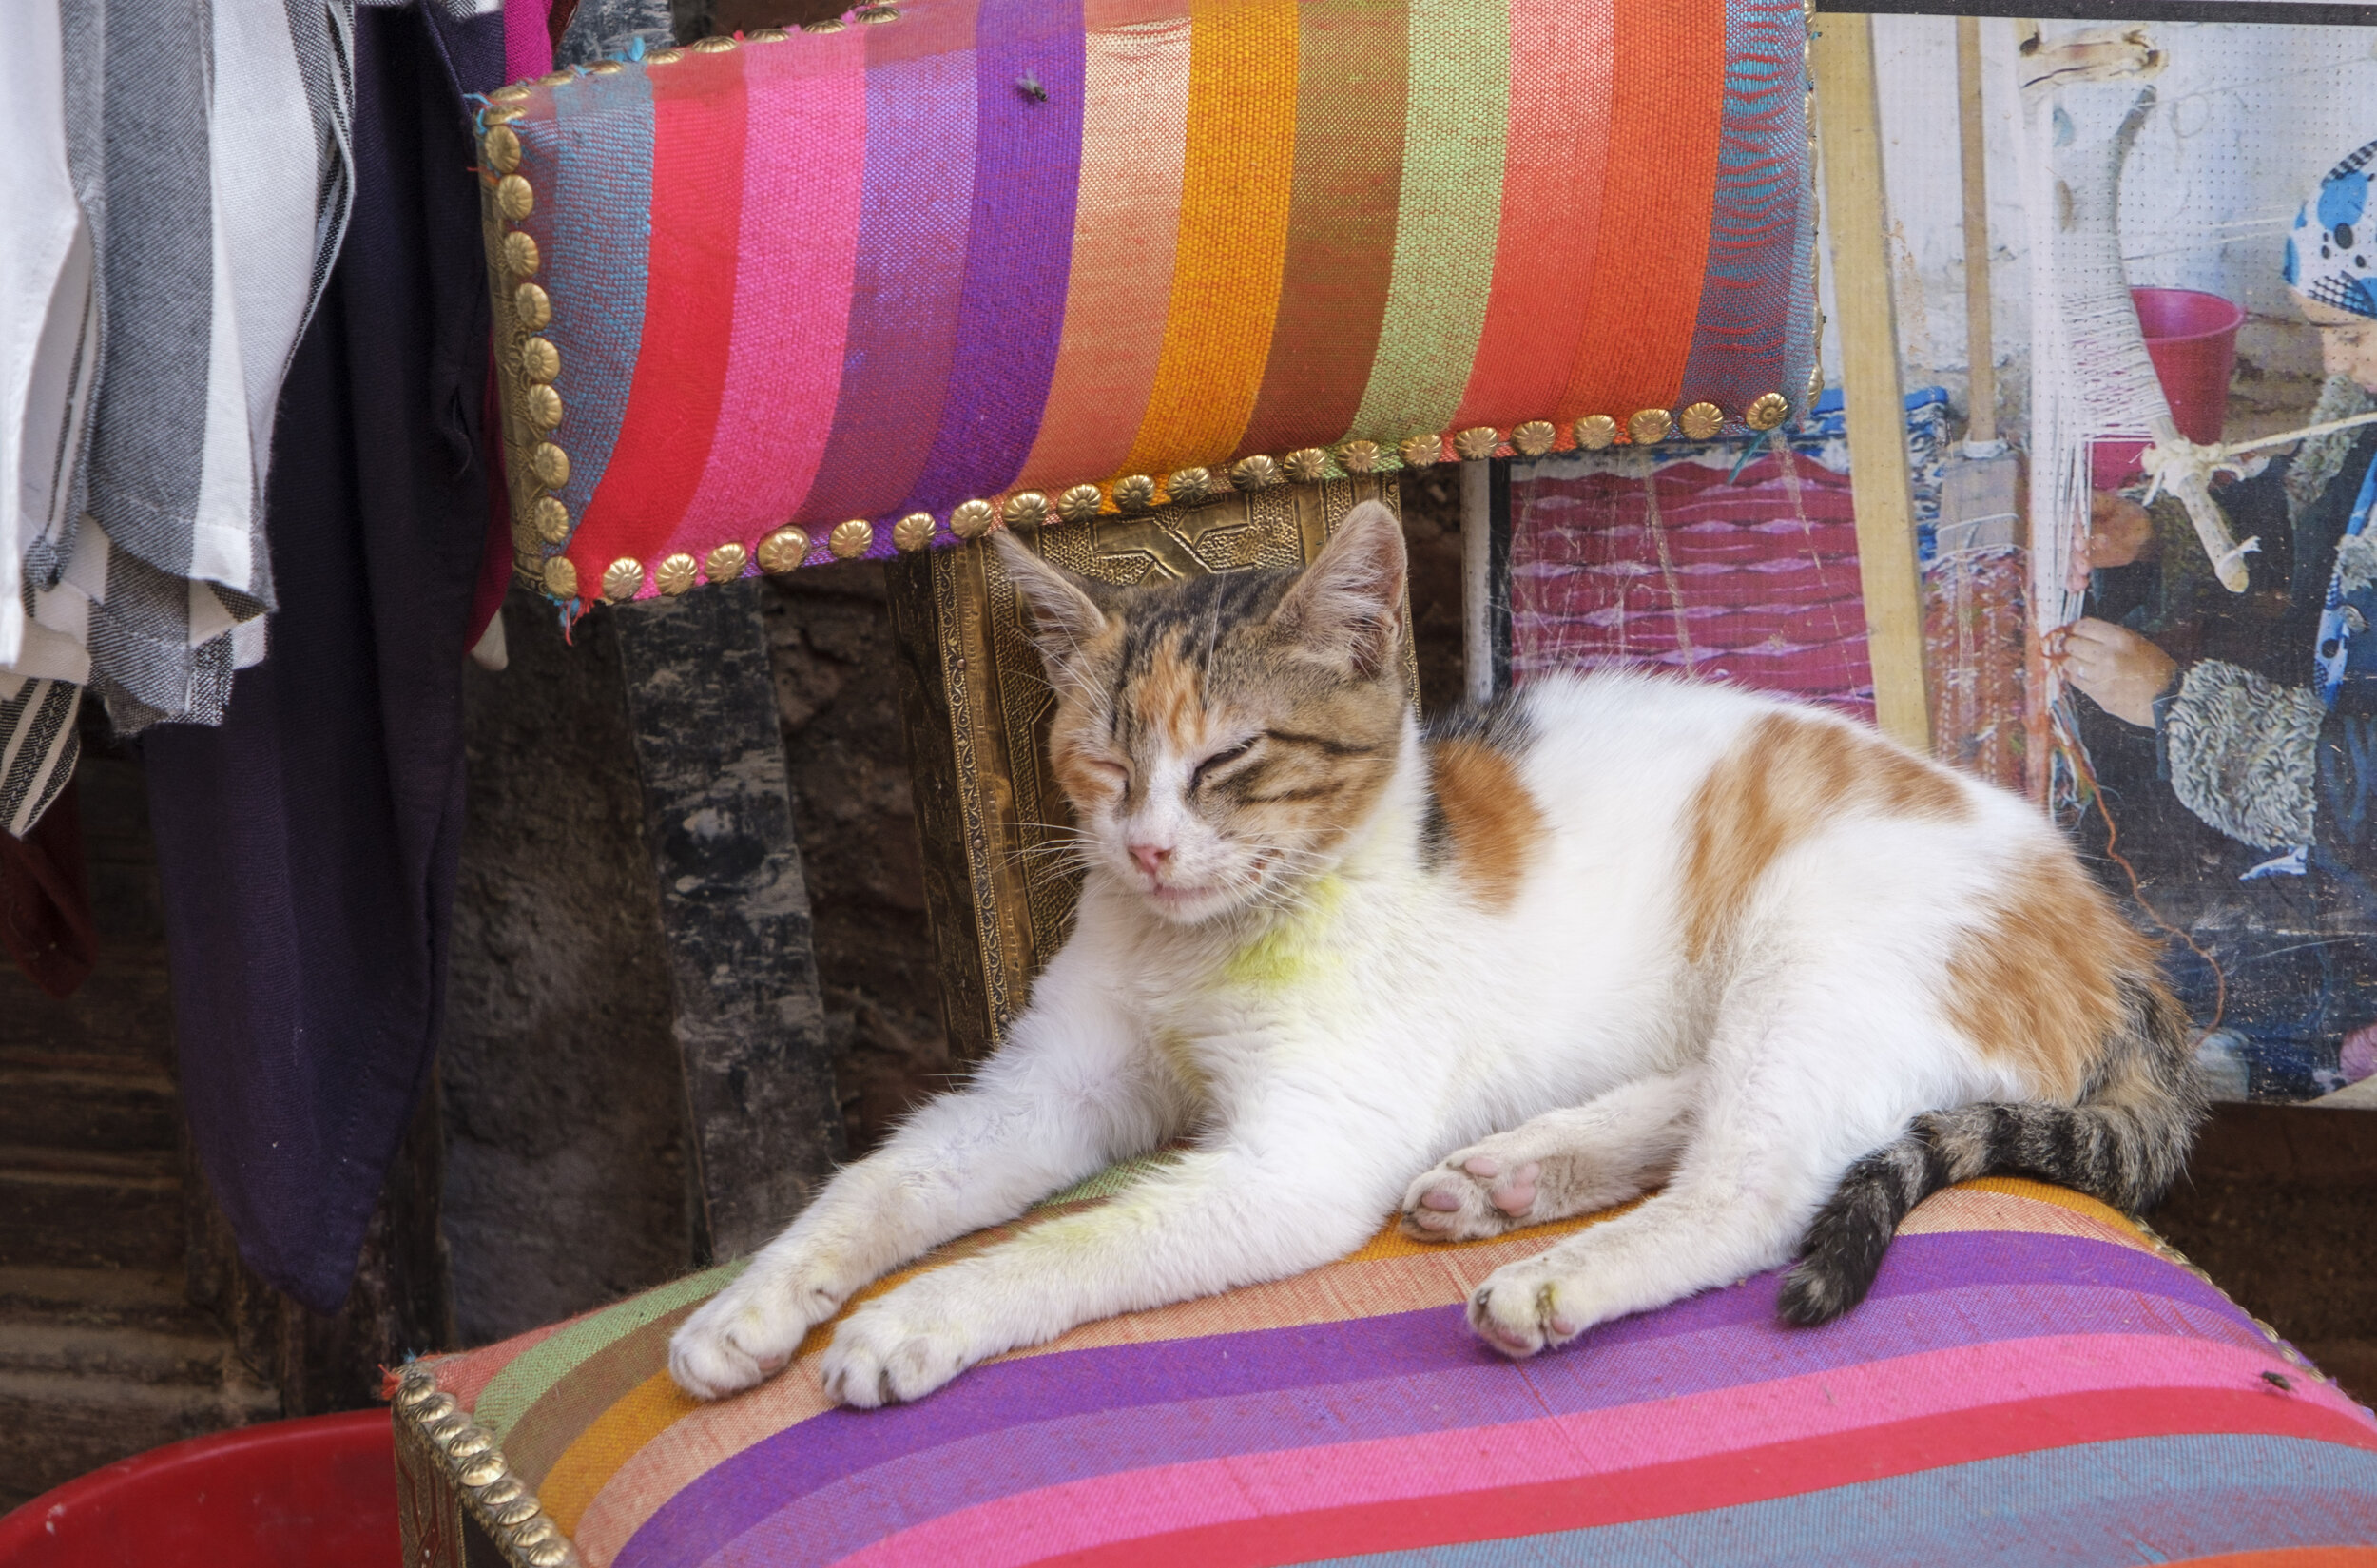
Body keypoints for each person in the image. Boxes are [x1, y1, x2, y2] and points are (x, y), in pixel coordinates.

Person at [2054, 138, 2377, 1098]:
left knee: (2124, 983)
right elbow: (2299, 526)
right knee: (2092, 857)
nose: (2332, 362)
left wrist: (2176, 705)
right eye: (2319, 330)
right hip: (2334, 801)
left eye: (2352, 336)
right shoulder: (2360, 416)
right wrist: (2157, 539)